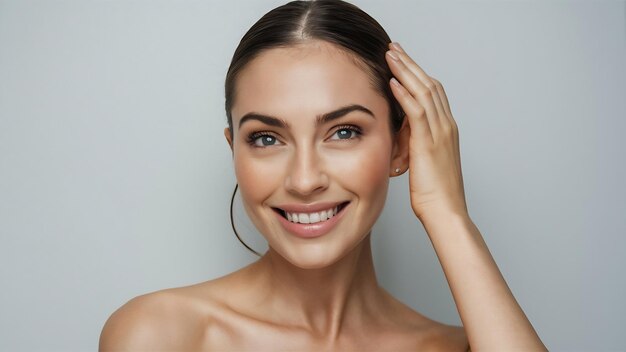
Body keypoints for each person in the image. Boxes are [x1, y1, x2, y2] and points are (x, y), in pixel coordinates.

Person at [99, 0, 547, 350]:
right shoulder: (160, 335)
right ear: (234, 148)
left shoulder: (451, 347)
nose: (305, 179)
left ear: (402, 145)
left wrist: (447, 214)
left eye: (343, 132)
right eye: (266, 138)